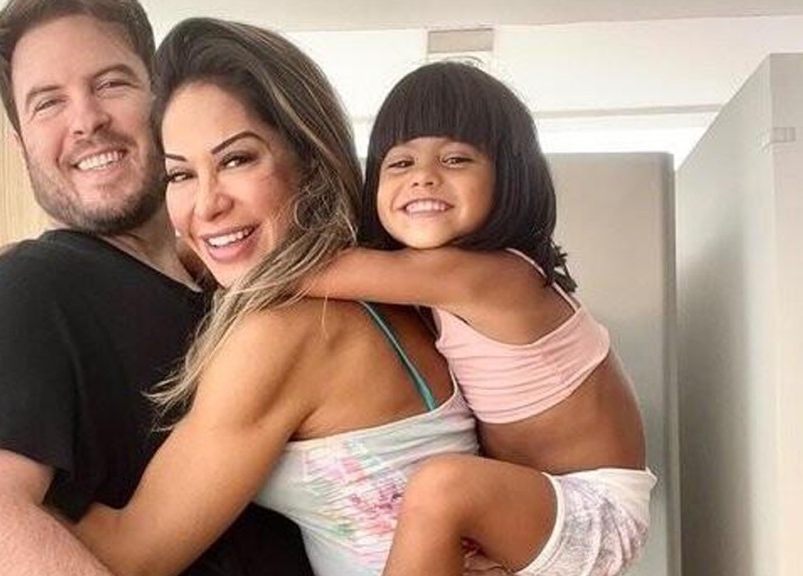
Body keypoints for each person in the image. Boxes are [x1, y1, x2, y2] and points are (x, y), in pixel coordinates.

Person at [49, 17, 503, 576]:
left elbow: (131, 555)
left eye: (237, 159)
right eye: (181, 175)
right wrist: (43, 259)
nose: (207, 204)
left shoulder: (286, 333)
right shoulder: (379, 288)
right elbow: (199, 251)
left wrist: (0, 467)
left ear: (308, 160)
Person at [0, 2, 315, 575]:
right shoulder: (24, 291)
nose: (86, 120)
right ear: (21, 143)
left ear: (162, 101)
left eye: (110, 83)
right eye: (48, 102)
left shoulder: (230, 282)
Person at [303, 61, 656, 576]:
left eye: (455, 158)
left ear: (508, 177)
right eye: (399, 163)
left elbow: (307, 272)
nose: (423, 175)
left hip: (595, 512)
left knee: (441, 485)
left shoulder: (493, 276)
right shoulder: (436, 289)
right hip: (532, 503)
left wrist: (201, 254)